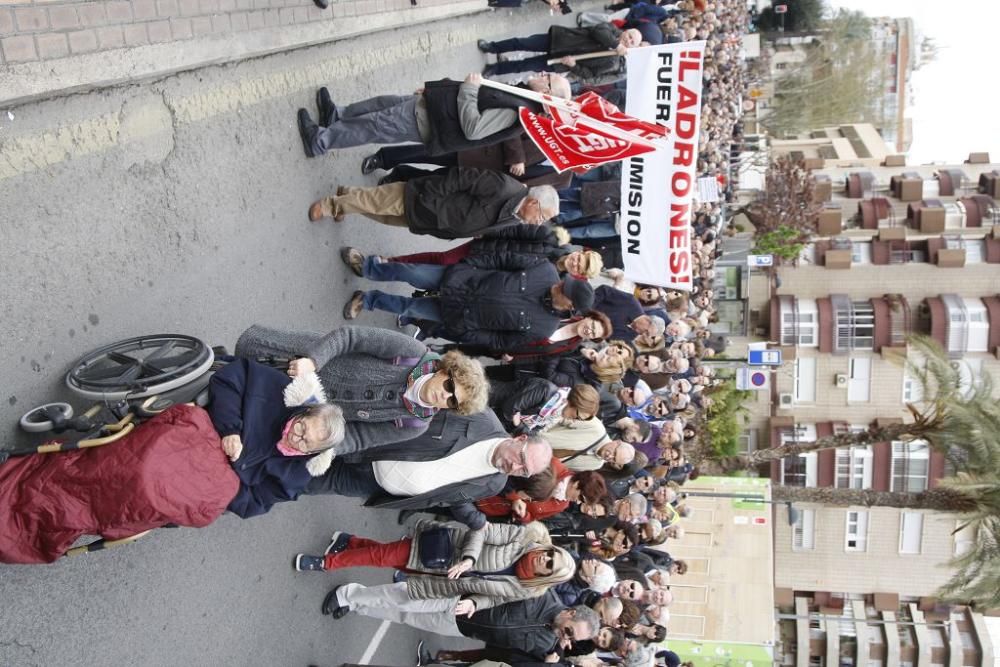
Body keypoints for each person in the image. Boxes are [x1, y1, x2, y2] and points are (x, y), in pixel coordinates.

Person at [234, 325, 487, 453]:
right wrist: (313, 361)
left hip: (302, 412)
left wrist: (320, 446)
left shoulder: (414, 425)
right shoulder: (412, 353)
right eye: (449, 386)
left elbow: (357, 438)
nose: (445, 395)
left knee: (236, 405)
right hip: (299, 364)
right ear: (445, 370)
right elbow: (351, 336)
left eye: (453, 401)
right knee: (237, 365)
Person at [304, 409, 552, 529]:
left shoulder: (494, 484)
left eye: (523, 471)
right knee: (307, 445)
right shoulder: (480, 416)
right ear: (520, 440)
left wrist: (477, 522)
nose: (515, 466)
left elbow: (452, 500)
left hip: (372, 484)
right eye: (520, 457)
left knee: (307, 483)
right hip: (366, 445)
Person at [296, 520, 575, 610]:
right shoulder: (523, 537)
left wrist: (474, 604)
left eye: (549, 566)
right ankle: (325, 562)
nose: (544, 559)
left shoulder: (527, 589)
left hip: (441, 578)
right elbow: (482, 529)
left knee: (384, 555)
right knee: (382, 558)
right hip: (443, 548)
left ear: (546, 577)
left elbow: (492, 598)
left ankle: (349, 541)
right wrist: (469, 558)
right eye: (551, 554)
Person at [297, 72, 571, 157]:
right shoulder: (521, 96)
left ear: (547, 94)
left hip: (430, 122)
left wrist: (469, 88)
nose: (542, 74)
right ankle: (336, 116)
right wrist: (436, 90)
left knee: (373, 125)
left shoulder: (520, 112)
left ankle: (320, 141)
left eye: (547, 77)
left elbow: (473, 128)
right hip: (431, 107)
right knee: (380, 105)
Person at [207, 358, 346, 518]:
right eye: (301, 427)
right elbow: (228, 379)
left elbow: (252, 503)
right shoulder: (278, 389)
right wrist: (230, 430)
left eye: (305, 443)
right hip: (209, 428)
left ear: (313, 452)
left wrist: (225, 483)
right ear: (305, 411)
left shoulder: (296, 477)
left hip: (216, 481)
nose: (295, 438)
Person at [322, 587, 600, 662]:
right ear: (571, 612)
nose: (565, 637)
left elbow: (509, 655)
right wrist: (472, 600)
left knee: (403, 615)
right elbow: (499, 586)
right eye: (569, 631)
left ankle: (355, 605)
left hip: (462, 628)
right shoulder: (542, 593)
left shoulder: (547, 644)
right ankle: (347, 594)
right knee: (403, 597)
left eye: (571, 639)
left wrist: (553, 657)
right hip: (460, 600)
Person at [307, 167, 559, 238]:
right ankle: (331, 204)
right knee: (377, 202)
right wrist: (430, 196)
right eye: (542, 216)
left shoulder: (514, 217)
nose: (539, 223)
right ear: (534, 203)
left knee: (380, 213)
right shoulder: (505, 187)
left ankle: (347, 194)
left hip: (433, 219)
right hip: (425, 198)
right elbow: (462, 177)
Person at [478, 25, 642, 77]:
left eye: (632, 42)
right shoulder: (611, 29)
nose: (628, 40)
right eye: (629, 36)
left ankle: (494, 69)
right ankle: (491, 47)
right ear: (626, 31)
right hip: (559, 40)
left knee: (524, 66)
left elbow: (589, 74)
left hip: (561, 62)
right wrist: (614, 44)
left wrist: (572, 66)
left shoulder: (612, 62)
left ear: (632, 48)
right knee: (521, 42)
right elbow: (597, 32)